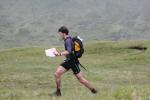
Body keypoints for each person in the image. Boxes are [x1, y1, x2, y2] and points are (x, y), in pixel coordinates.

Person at [53, 26, 97, 96]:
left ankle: (94, 91)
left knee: (81, 79)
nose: (60, 35)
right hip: (68, 61)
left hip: (73, 62)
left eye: (60, 33)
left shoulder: (68, 40)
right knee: (57, 74)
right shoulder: (68, 39)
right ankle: (58, 92)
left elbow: (69, 51)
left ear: (63, 33)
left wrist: (59, 54)